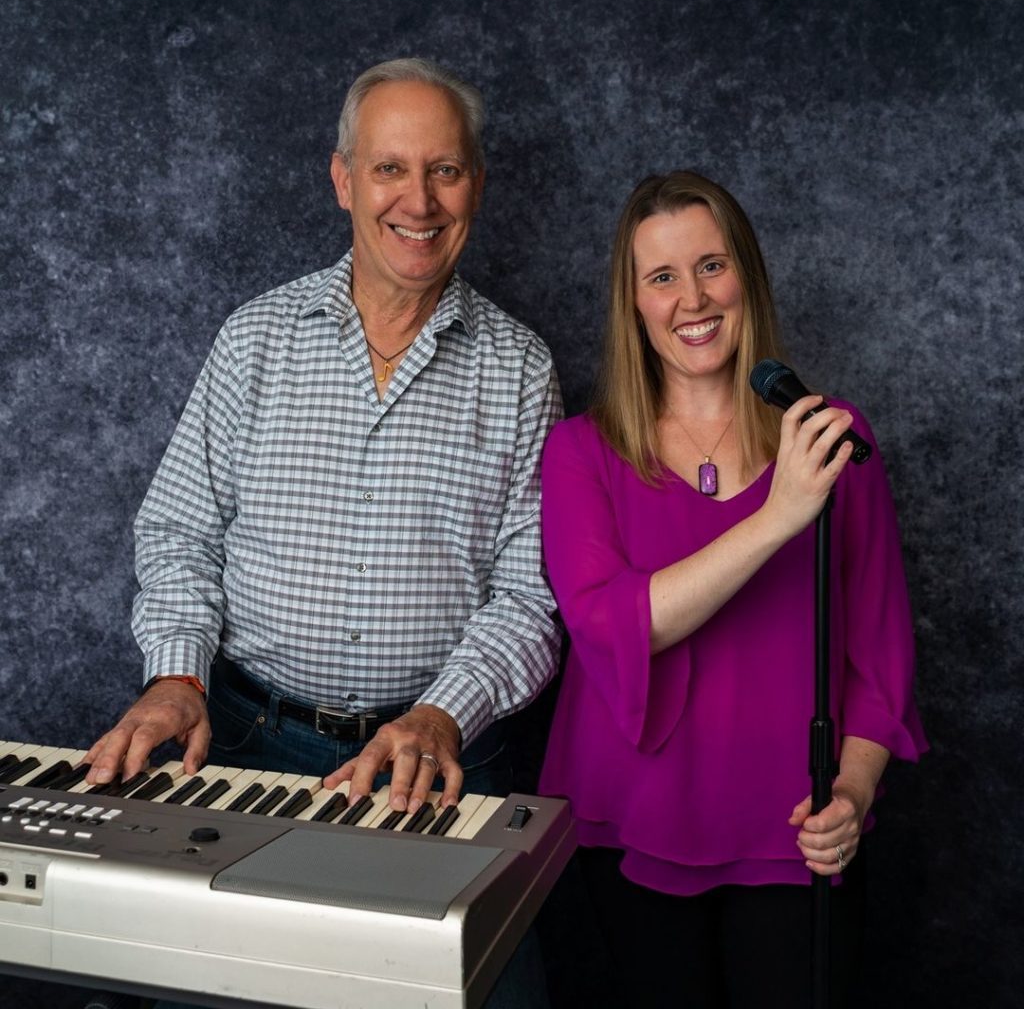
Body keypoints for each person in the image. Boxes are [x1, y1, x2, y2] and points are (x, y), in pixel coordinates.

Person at [84, 57, 562, 832]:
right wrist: (176, 677)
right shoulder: (255, 339)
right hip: (246, 744)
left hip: (438, 763)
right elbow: (179, 534)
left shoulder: (521, 370)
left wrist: (442, 713)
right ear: (344, 181)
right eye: (389, 169)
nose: (419, 201)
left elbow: (528, 597)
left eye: (444, 170)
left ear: (477, 185)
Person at [537, 170, 926, 1007]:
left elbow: (881, 659)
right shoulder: (581, 452)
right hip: (634, 819)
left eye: (711, 265)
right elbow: (612, 623)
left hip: (798, 824)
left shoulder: (831, 440)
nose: (693, 299)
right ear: (633, 303)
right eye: (662, 277)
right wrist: (777, 517)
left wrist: (853, 792)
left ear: (746, 274)